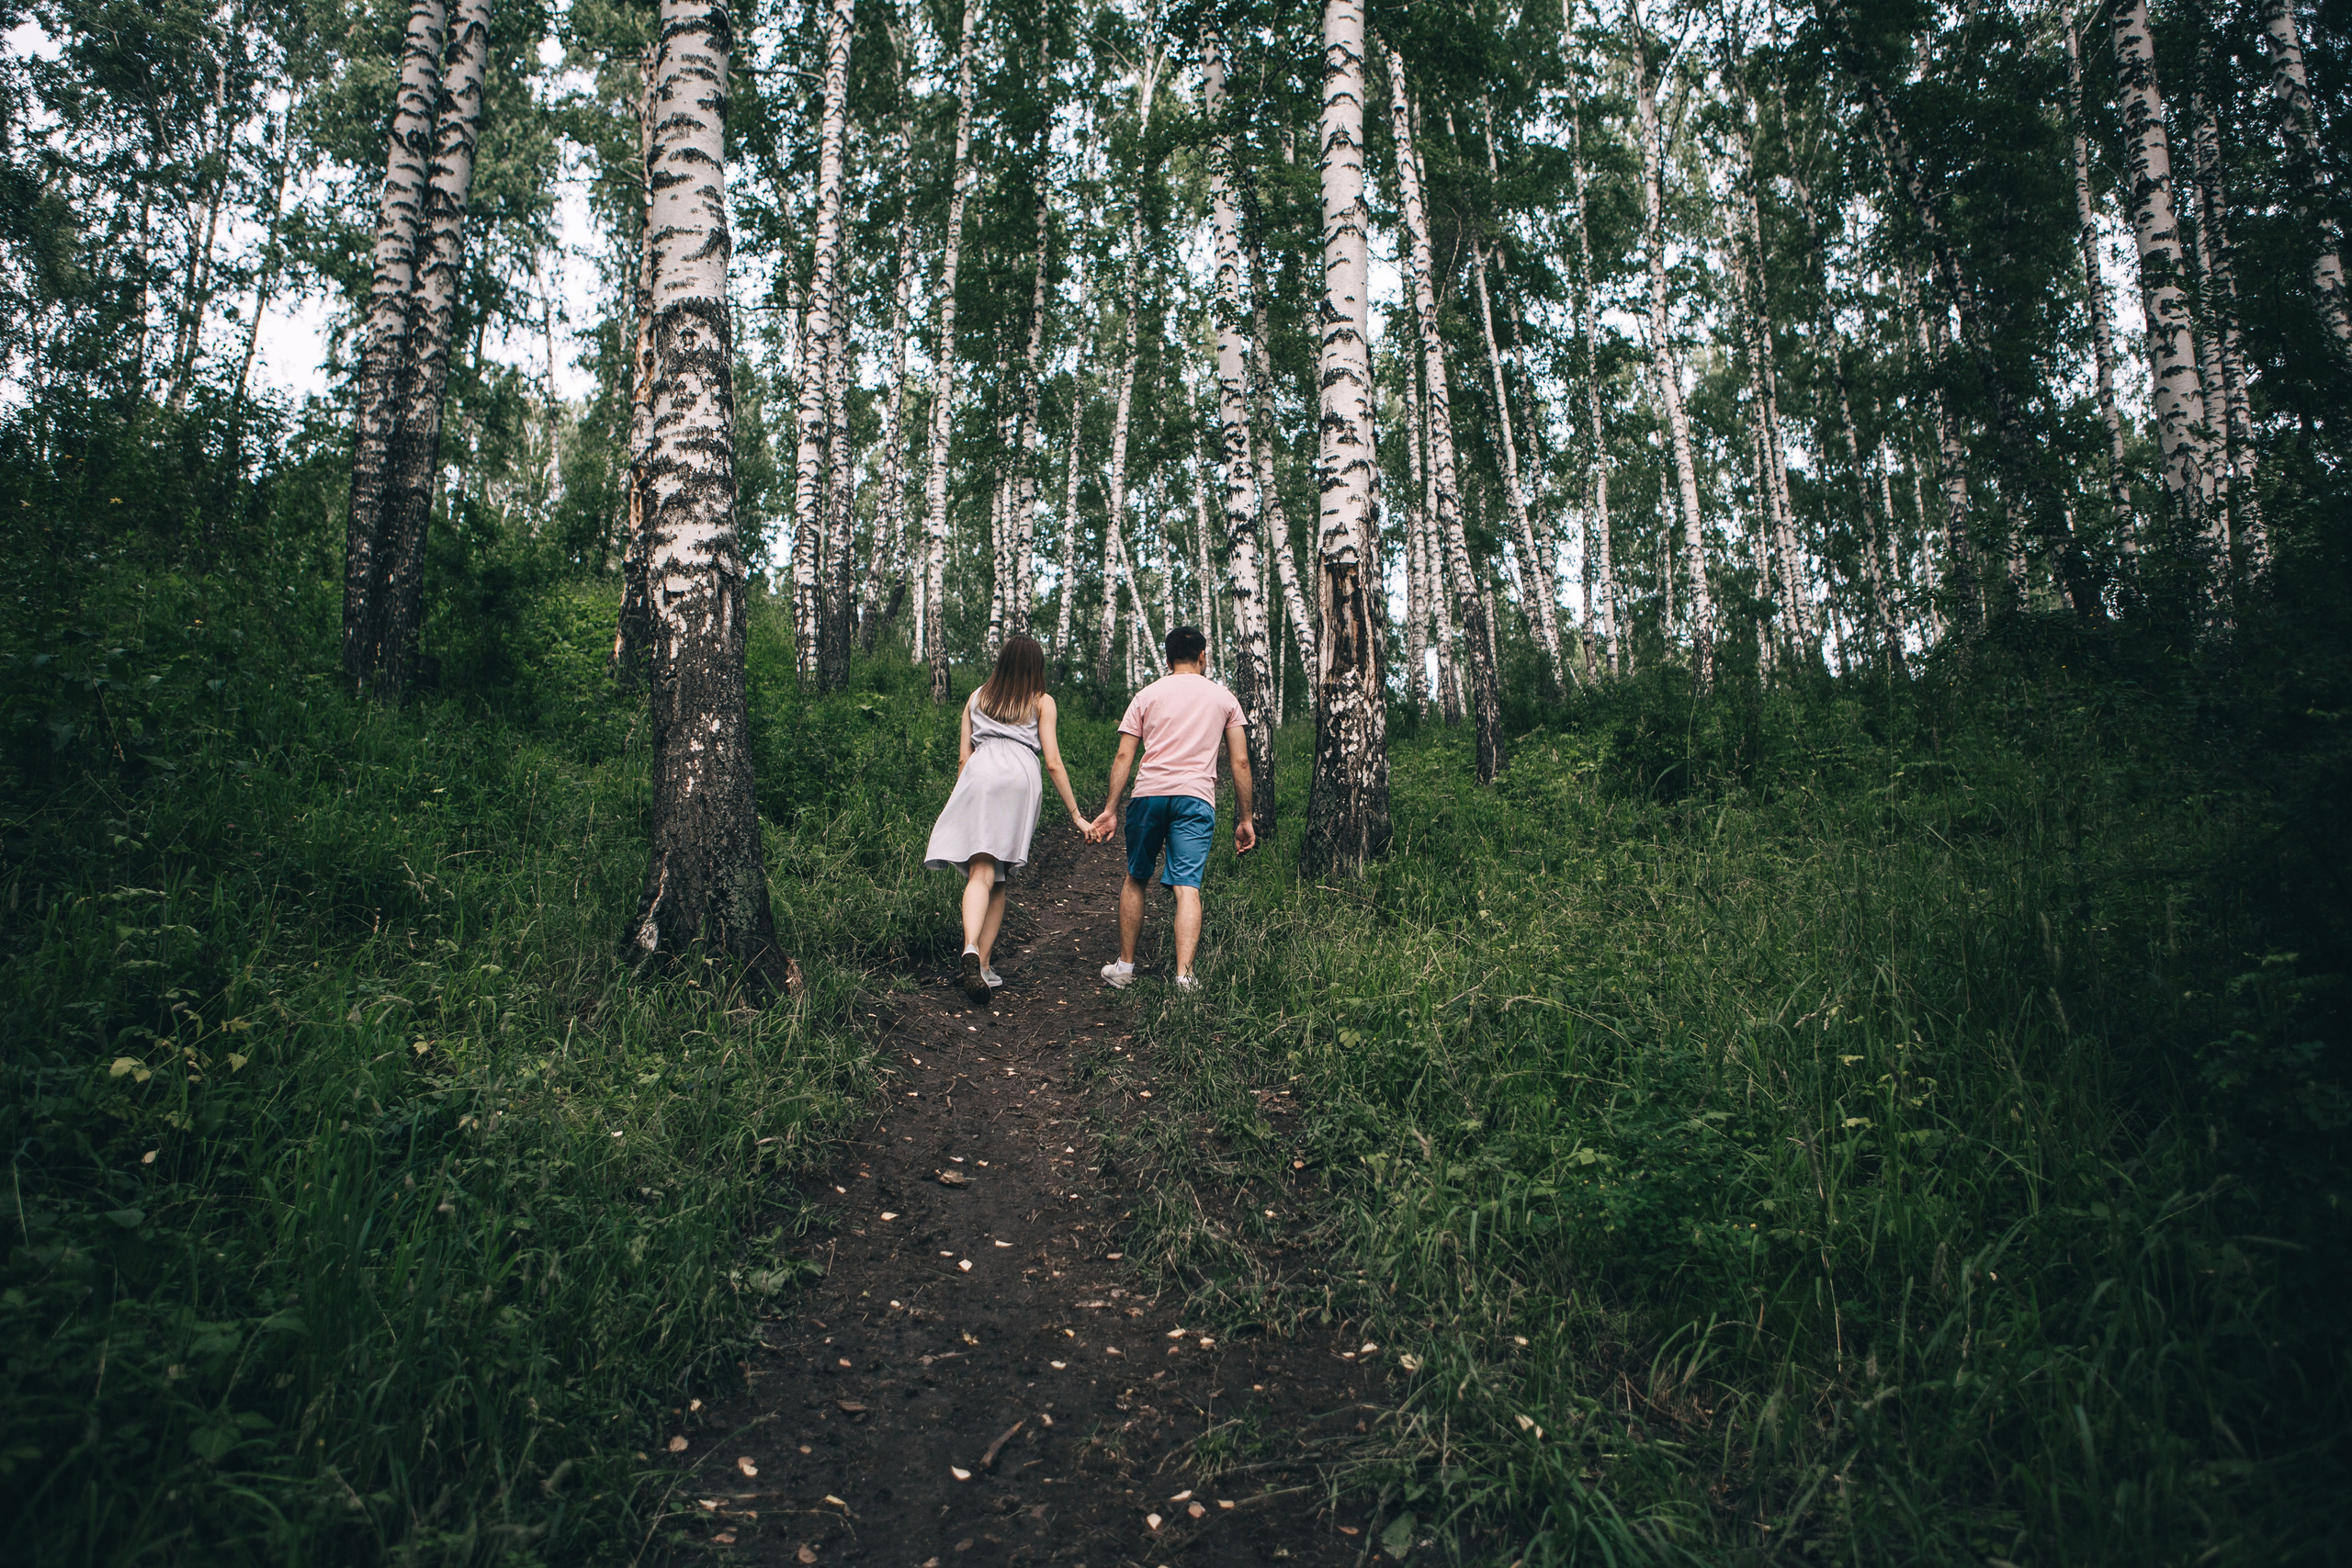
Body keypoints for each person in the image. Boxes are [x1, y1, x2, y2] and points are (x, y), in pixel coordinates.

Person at [1085, 626, 1255, 990]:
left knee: (1136, 877)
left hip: (1148, 796)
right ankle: (1184, 977)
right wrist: (1245, 819)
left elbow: (1124, 755)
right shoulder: (1224, 699)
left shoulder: (1146, 695)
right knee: (1187, 886)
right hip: (1195, 799)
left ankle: (1125, 969)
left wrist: (1111, 809)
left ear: (1167, 659)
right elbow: (1240, 762)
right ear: (1202, 657)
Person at [924, 635, 1089, 1005]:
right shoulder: (1041, 701)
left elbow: (963, 759)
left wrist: (962, 798)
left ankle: (970, 947)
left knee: (981, 871)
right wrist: (1076, 815)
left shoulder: (977, 696)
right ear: (1036, 666)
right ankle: (981, 965)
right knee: (999, 873)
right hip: (1018, 778)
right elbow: (1052, 762)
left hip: (979, 775)